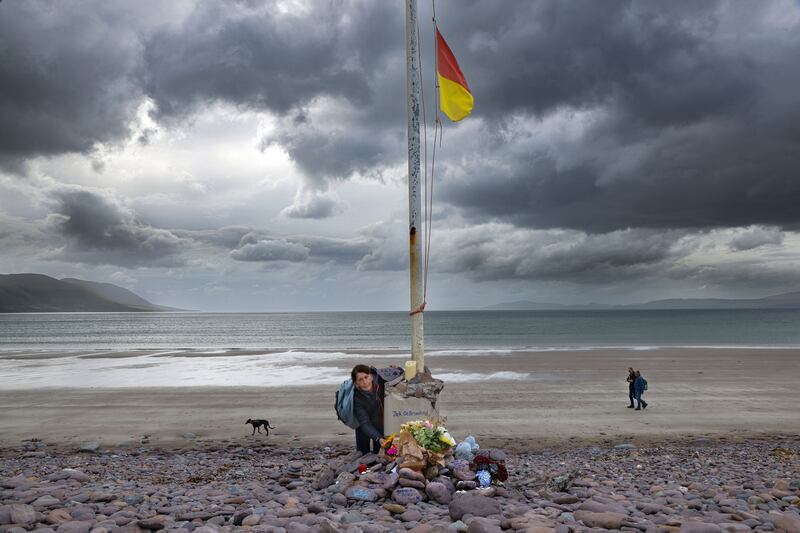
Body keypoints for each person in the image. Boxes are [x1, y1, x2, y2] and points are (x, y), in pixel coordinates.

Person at [351, 364, 387, 454]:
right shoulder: (356, 397)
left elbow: (398, 374)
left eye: (366, 377)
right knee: (362, 454)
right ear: (356, 383)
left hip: (379, 422)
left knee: (379, 453)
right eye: (360, 379)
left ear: (371, 376)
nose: (365, 381)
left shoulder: (380, 382)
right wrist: (378, 438)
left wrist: (397, 368)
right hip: (362, 425)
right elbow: (364, 423)